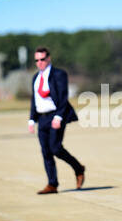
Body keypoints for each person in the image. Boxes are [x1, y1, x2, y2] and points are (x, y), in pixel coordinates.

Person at [28, 46, 85, 194]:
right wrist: (31, 120)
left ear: (48, 58)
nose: (39, 62)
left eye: (42, 59)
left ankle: (78, 168)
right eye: (37, 60)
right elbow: (35, 100)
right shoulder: (36, 78)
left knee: (56, 148)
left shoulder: (59, 74)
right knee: (46, 152)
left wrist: (59, 116)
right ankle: (52, 184)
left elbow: (63, 97)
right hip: (42, 118)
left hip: (56, 116)